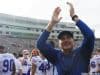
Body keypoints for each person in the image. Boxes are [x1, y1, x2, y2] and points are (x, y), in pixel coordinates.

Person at [37, 2, 95, 75]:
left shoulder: (82, 52)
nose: (66, 40)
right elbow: (40, 44)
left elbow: (90, 35)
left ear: (73, 41)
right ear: (59, 43)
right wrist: (51, 23)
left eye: (68, 37)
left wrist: (74, 17)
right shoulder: (56, 55)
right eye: (62, 39)